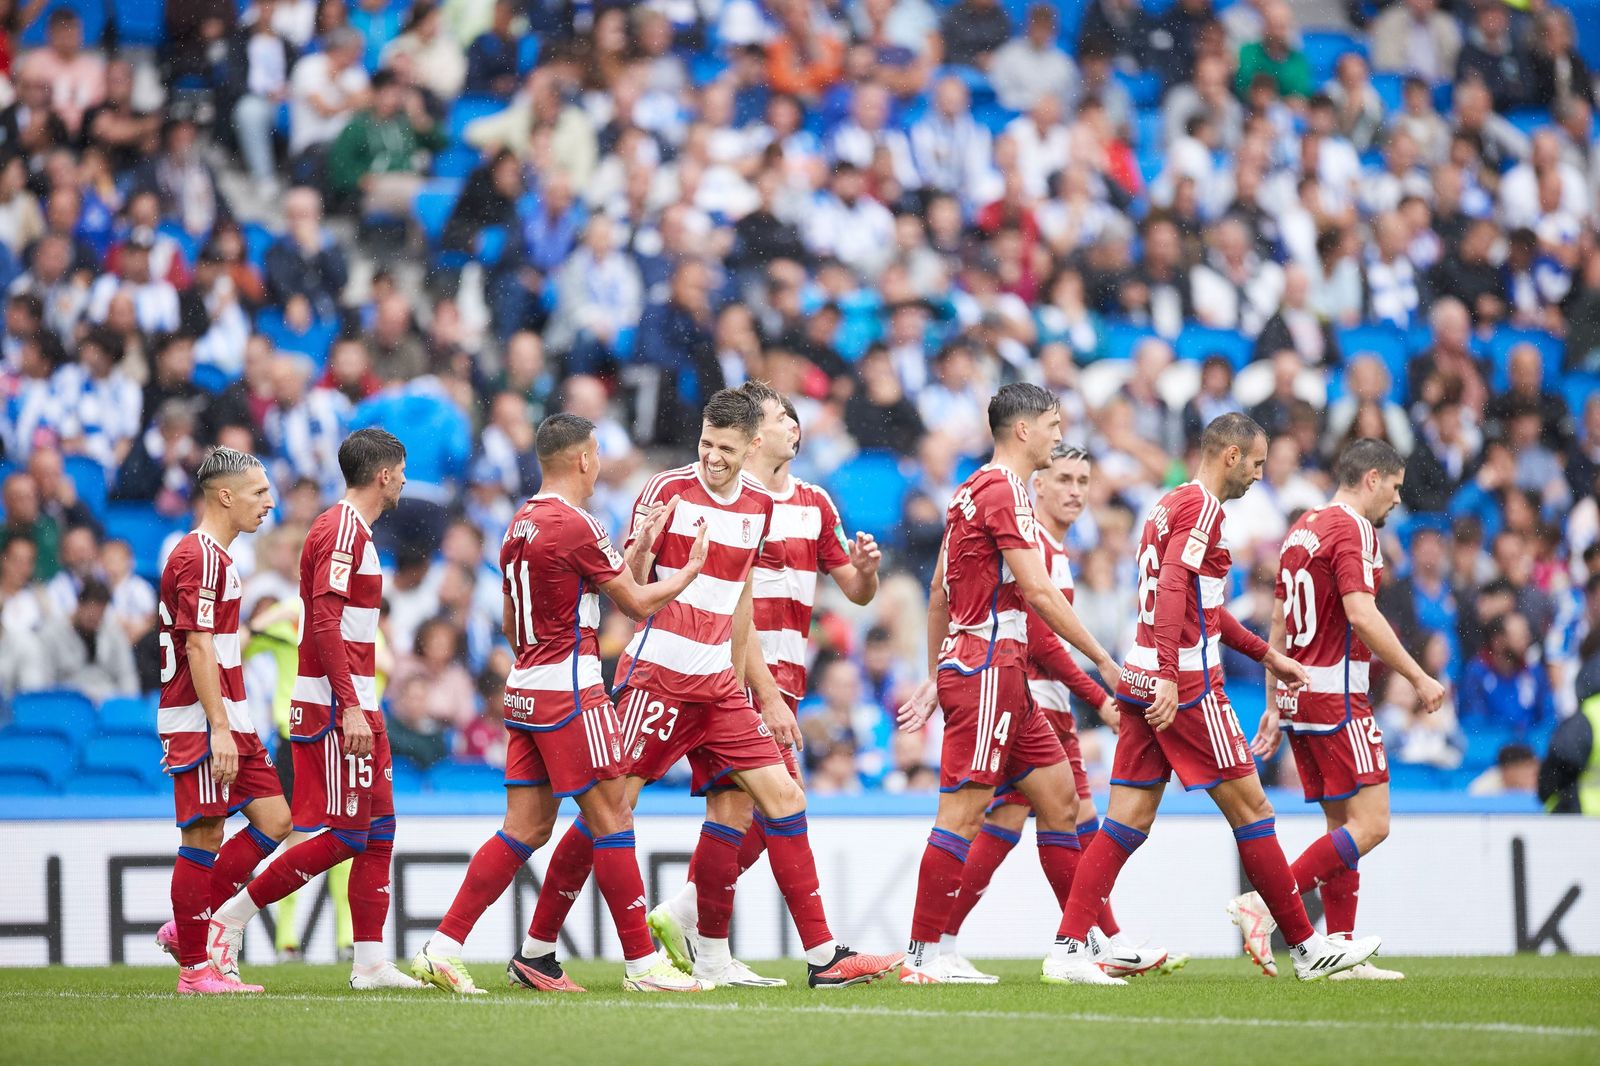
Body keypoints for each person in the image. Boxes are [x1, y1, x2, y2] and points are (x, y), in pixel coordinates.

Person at [523, 390, 903, 990]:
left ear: (750, 445)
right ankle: (538, 950)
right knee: (609, 811)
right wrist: (644, 548)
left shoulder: (759, 505)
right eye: (706, 444)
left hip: (720, 686)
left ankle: (819, 956)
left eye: (726, 448)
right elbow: (630, 584)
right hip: (659, 679)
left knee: (783, 798)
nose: (713, 458)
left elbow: (741, 600)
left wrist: (752, 689)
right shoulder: (667, 489)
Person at [1044, 413, 1382, 985]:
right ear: (1230, 457)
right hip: (1187, 684)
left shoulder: (1167, 503)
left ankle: (1068, 948)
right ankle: (1304, 947)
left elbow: (1202, 603)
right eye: (1255, 462)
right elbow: (1176, 585)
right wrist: (1175, 677)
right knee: (1254, 810)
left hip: (1140, 670)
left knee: (1127, 817)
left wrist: (1266, 655)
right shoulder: (1203, 508)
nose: (1258, 473)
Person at [410, 413, 715, 994]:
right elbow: (637, 605)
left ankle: (443, 946)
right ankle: (642, 965)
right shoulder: (578, 523)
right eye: (597, 453)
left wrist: (641, 541)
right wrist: (689, 573)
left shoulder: (517, 523)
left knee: (523, 829)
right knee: (613, 819)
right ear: (582, 459)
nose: (600, 463)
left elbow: (510, 618)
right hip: (570, 691)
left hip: (524, 688)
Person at [645, 380, 882, 984]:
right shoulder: (731, 499)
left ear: (786, 433)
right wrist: (764, 694)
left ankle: (696, 925)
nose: (768, 428)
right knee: (772, 802)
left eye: (776, 417)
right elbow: (720, 599)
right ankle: (811, 951)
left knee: (738, 810)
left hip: (784, 672)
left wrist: (867, 572)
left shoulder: (814, 504)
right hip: (730, 675)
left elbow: (854, 592)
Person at [894, 384, 1124, 984]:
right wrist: (1102, 658)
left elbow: (940, 590)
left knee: (1061, 800)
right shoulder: (1003, 491)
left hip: (999, 673)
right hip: (989, 670)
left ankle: (1073, 950)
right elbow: (1040, 593)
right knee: (963, 815)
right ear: (1023, 430)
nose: (1058, 432)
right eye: (1052, 423)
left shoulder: (970, 489)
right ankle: (923, 955)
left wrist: (934, 669)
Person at [938, 445, 1179, 980]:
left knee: (1027, 820)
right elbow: (1044, 639)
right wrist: (1100, 693)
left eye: (1084, 480)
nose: (1075, 490)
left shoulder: (1057, 549)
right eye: (1063, 478)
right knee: (1046, 818)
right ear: (1037, 486)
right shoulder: (1033, 544)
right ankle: (1089, 940)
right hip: (1027, 699)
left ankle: (1098, 938)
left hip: (1032, 697)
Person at [206, 429, 423, 992]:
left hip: (356, 703)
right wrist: (350, 706)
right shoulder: (342, 530)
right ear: (383, 474)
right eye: (400, 469)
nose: (404, 478)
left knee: (379, 831)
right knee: (348, 836)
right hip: (334, 709)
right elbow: (322, 623)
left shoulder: (352, 531)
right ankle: (229, 919)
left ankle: (371, 962)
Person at [1249, 439, 1446, 981]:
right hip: (1337, 694)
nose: (1398, 501)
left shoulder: (1301, 529)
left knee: (1341, 828)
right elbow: (1360, 614)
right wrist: (1417, 675)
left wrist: (1271, 702)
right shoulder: (1354, 528)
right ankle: (1266, 905)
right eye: (1397, 488)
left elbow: (1279, 623)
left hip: (1299, 696)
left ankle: (1338, 951)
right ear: (1373, 478)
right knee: (1373, 823)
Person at [154, 447, 292, 994]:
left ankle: (186, 926)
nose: (269, 502)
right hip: (201, 719)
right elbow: (196, 645)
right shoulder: (201, 558)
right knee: (206, 833)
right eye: (259, 493)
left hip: (229, 715)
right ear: (225, 496)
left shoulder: (218, 558)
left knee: (276, 819)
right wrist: (217, 726)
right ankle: (194, 968)